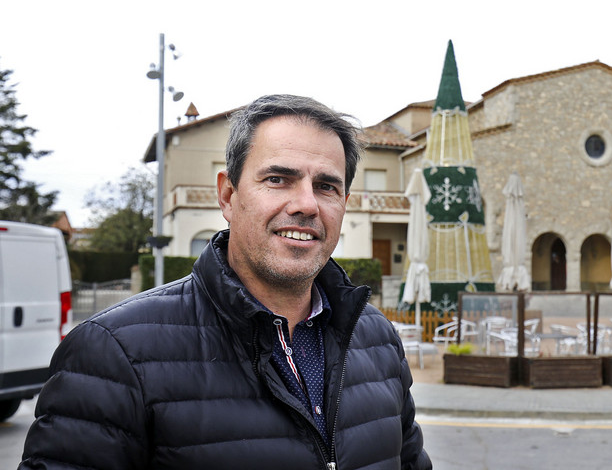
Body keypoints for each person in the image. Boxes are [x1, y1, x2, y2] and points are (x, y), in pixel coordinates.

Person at [20, 94, 432, 470]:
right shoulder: (113, 352)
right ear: (228, 196)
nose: (306, 204)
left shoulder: (377, 338)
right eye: (278, 179)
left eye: (326, 186)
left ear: (343, 204)